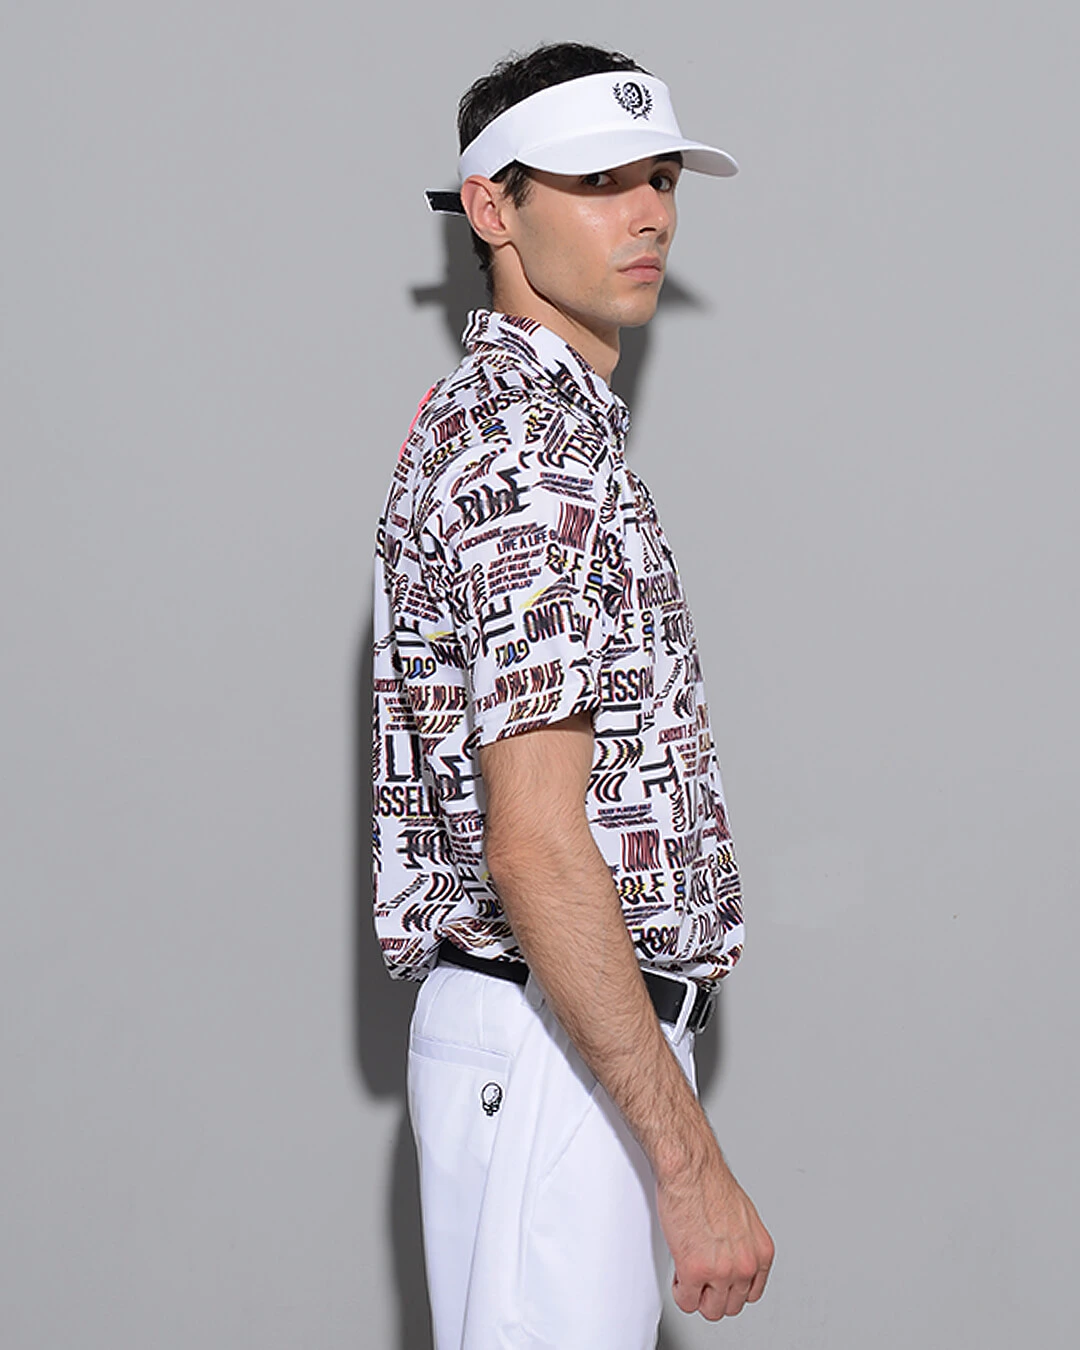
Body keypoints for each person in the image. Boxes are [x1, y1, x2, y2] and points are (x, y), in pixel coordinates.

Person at [372, 41, 774, 1349]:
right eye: (600, 181)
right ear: (491, 207)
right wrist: (688, 1163)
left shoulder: (538, 430)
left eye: (661, 177)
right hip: (551, 1047)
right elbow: (536, 842)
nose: (649, 212)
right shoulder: (528, 455)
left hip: (561, 1039)